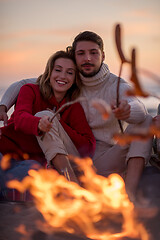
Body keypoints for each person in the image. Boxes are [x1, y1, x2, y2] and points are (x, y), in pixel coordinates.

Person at [0, 31, 152, 202]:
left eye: (93, 53)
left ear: (103, 55)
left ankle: (129, 195)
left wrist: (128, 111)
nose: (87, 58)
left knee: (146, 120)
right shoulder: (69, 79)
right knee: (46, 116)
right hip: (76, 159)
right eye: (81, 53)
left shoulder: (116, 85)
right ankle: (73, 190)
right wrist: (3, 105)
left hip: (108, 158)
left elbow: (139, 107)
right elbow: (22, 84)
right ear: (74, 55)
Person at [0, 50, 96, 200]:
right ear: (49, 72)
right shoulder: (30, 90)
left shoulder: (73, 105)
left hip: (33, 164)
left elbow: (88, 146)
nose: (63, 76)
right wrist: (38, 123)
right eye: (58, 70)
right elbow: (19, 118)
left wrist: (56, 123)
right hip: (5, 152)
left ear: (75, 78)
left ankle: (73, 190)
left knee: (34, 176)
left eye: (70, 73)